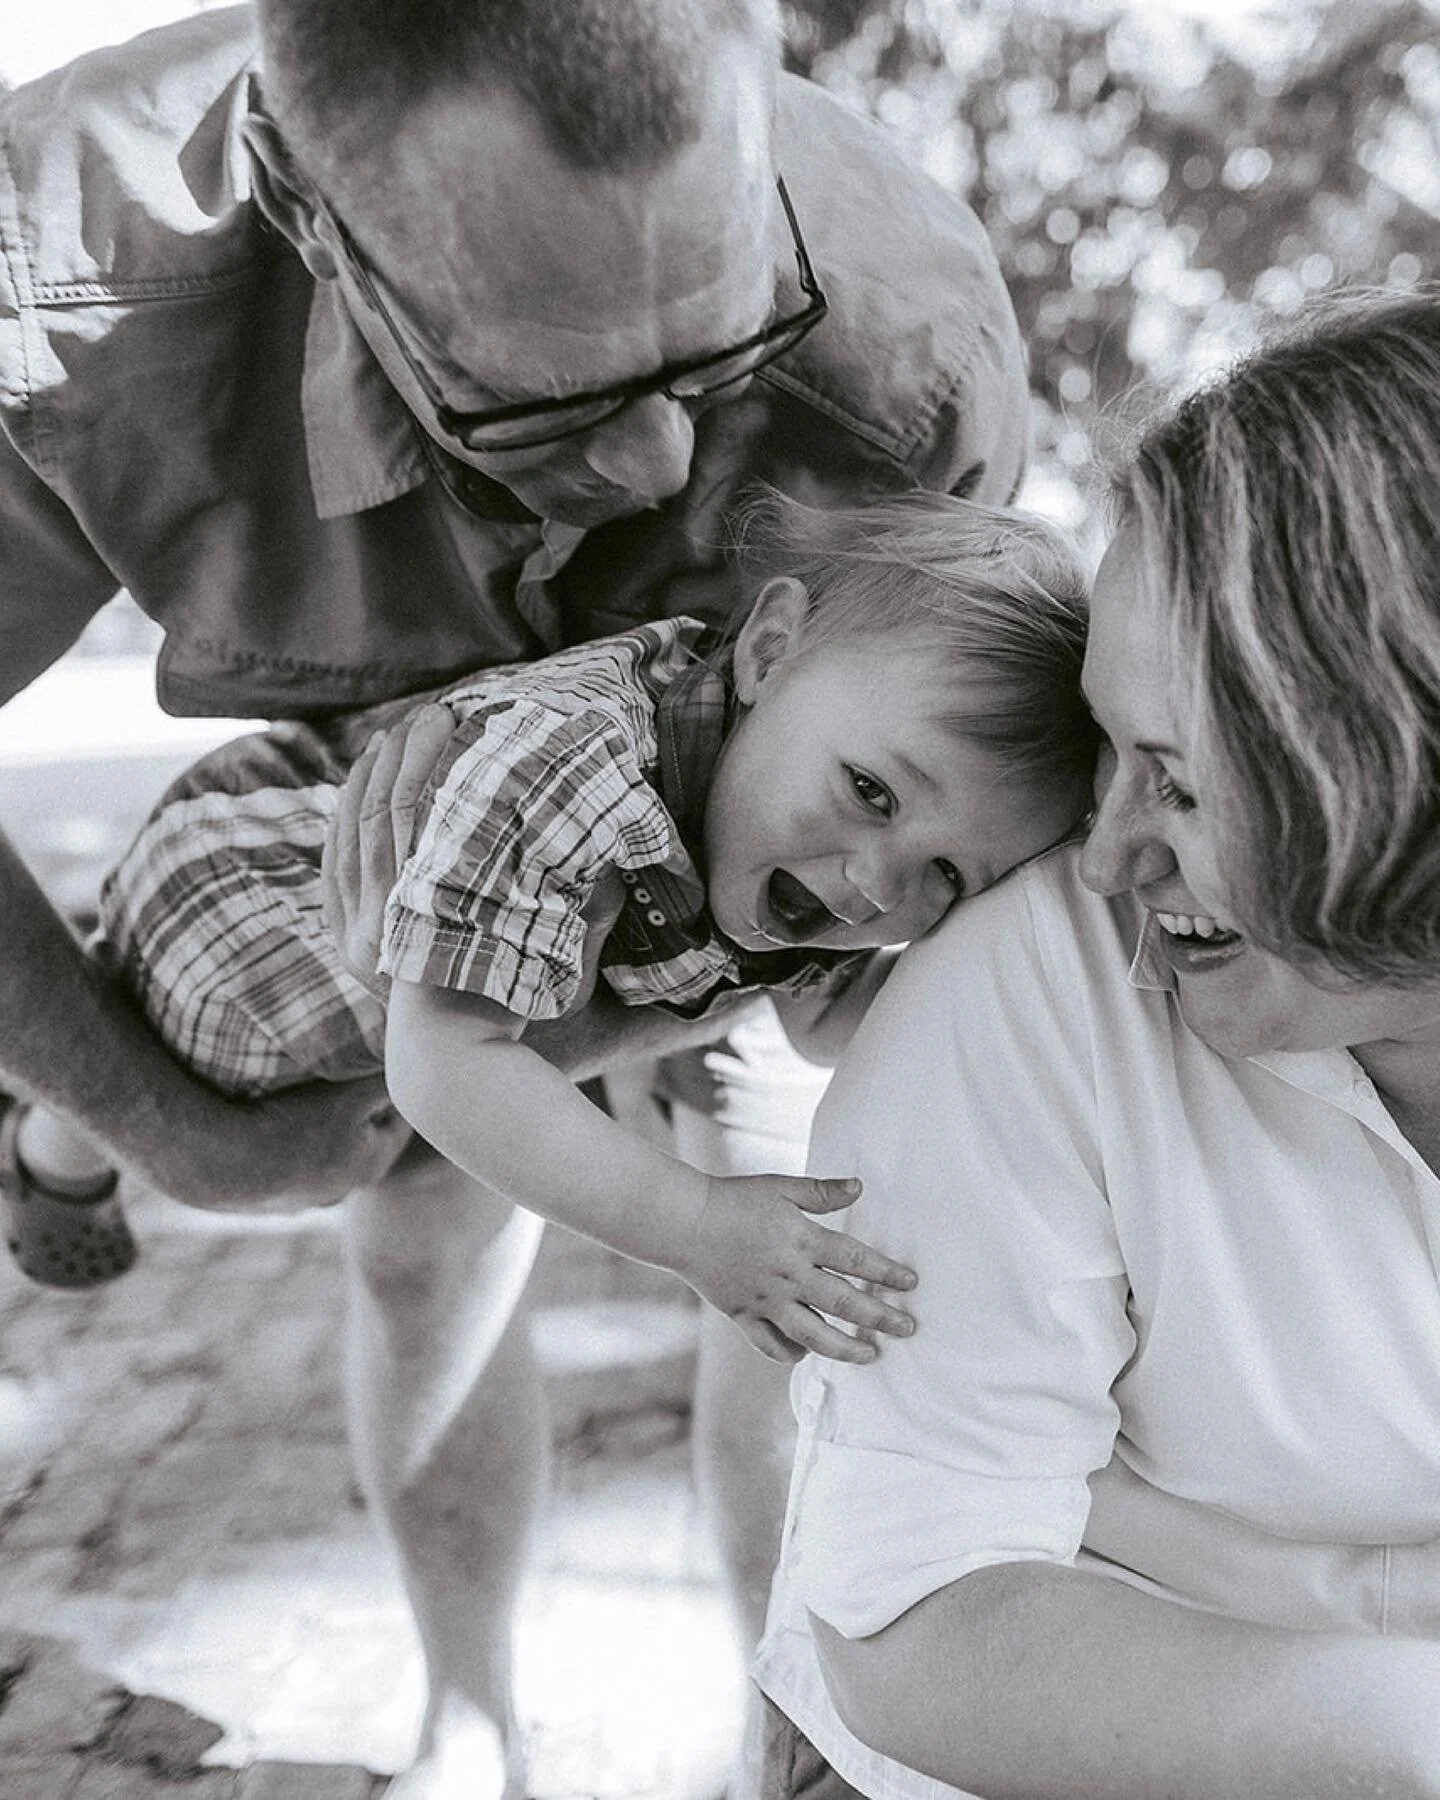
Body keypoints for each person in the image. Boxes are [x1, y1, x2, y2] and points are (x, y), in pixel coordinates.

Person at [0, 2, 1029, 1791]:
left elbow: (946, 765)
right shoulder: (56, 276)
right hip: (377, 821)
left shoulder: (908, 336)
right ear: (310, 223)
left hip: (738, 827)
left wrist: (753, 1018)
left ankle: (798, 1734)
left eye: (716, 363)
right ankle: (470, 1719)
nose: (659, 474)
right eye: (556, 401)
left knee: (805, 1260)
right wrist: (156, 1121)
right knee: (419, 1241)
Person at [748, 288, 1440, 1800]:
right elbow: (911, 1611)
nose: (1109, 854)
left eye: (1178, 786)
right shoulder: (1029, 989)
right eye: (1107, 755)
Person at [15, 494, 1094, 1358]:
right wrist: (696, 1226)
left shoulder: (798, 844)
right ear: (769, 651)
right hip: (230, 910)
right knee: (140, 1057)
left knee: (294, 1098)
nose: (874, 884)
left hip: (347, 1021)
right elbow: (447, 1068)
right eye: (871, 790)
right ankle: (46, 1143)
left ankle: (57, 1140)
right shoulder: (581, 768)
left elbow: (822, 1022)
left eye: (949, 875)